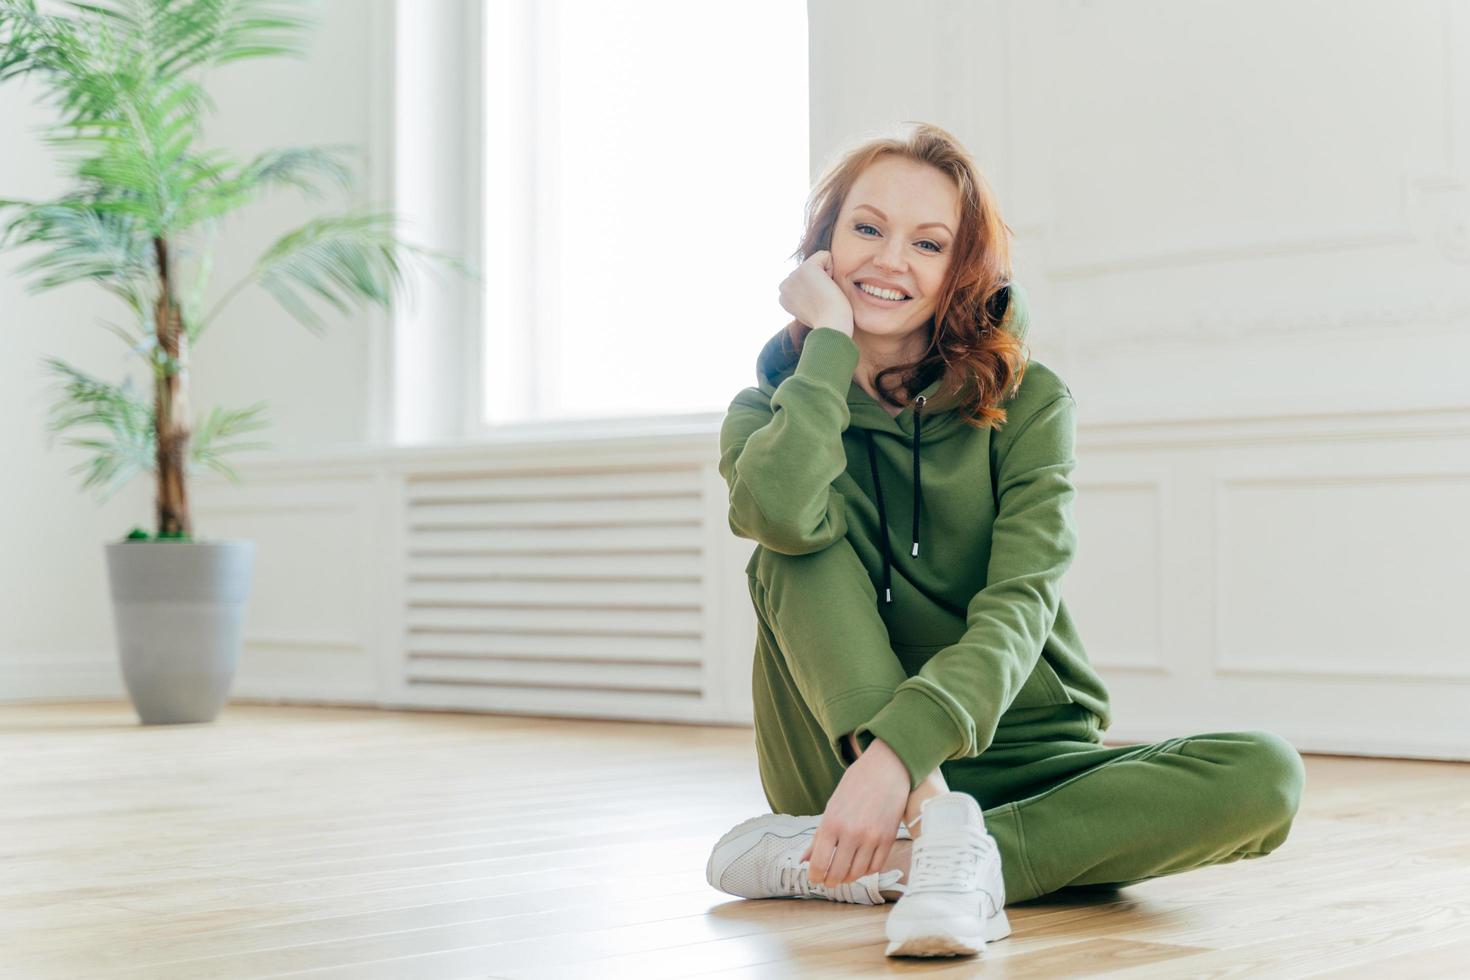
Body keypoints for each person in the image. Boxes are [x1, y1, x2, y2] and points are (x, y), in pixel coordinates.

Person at [703, 123, 1306, 960]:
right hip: (840, 773)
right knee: (791, 547)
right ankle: (935, 839)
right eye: (867, 229)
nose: (889, 261)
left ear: (962, 271)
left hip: (1022, 756)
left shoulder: (1030, 401)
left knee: (1266, 774)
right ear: (822, 249)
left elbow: (1024, 599)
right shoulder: (767, 411)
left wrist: (908, 752)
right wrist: (831, 347)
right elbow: (777, 515)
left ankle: (911, 862)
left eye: (929, 243)